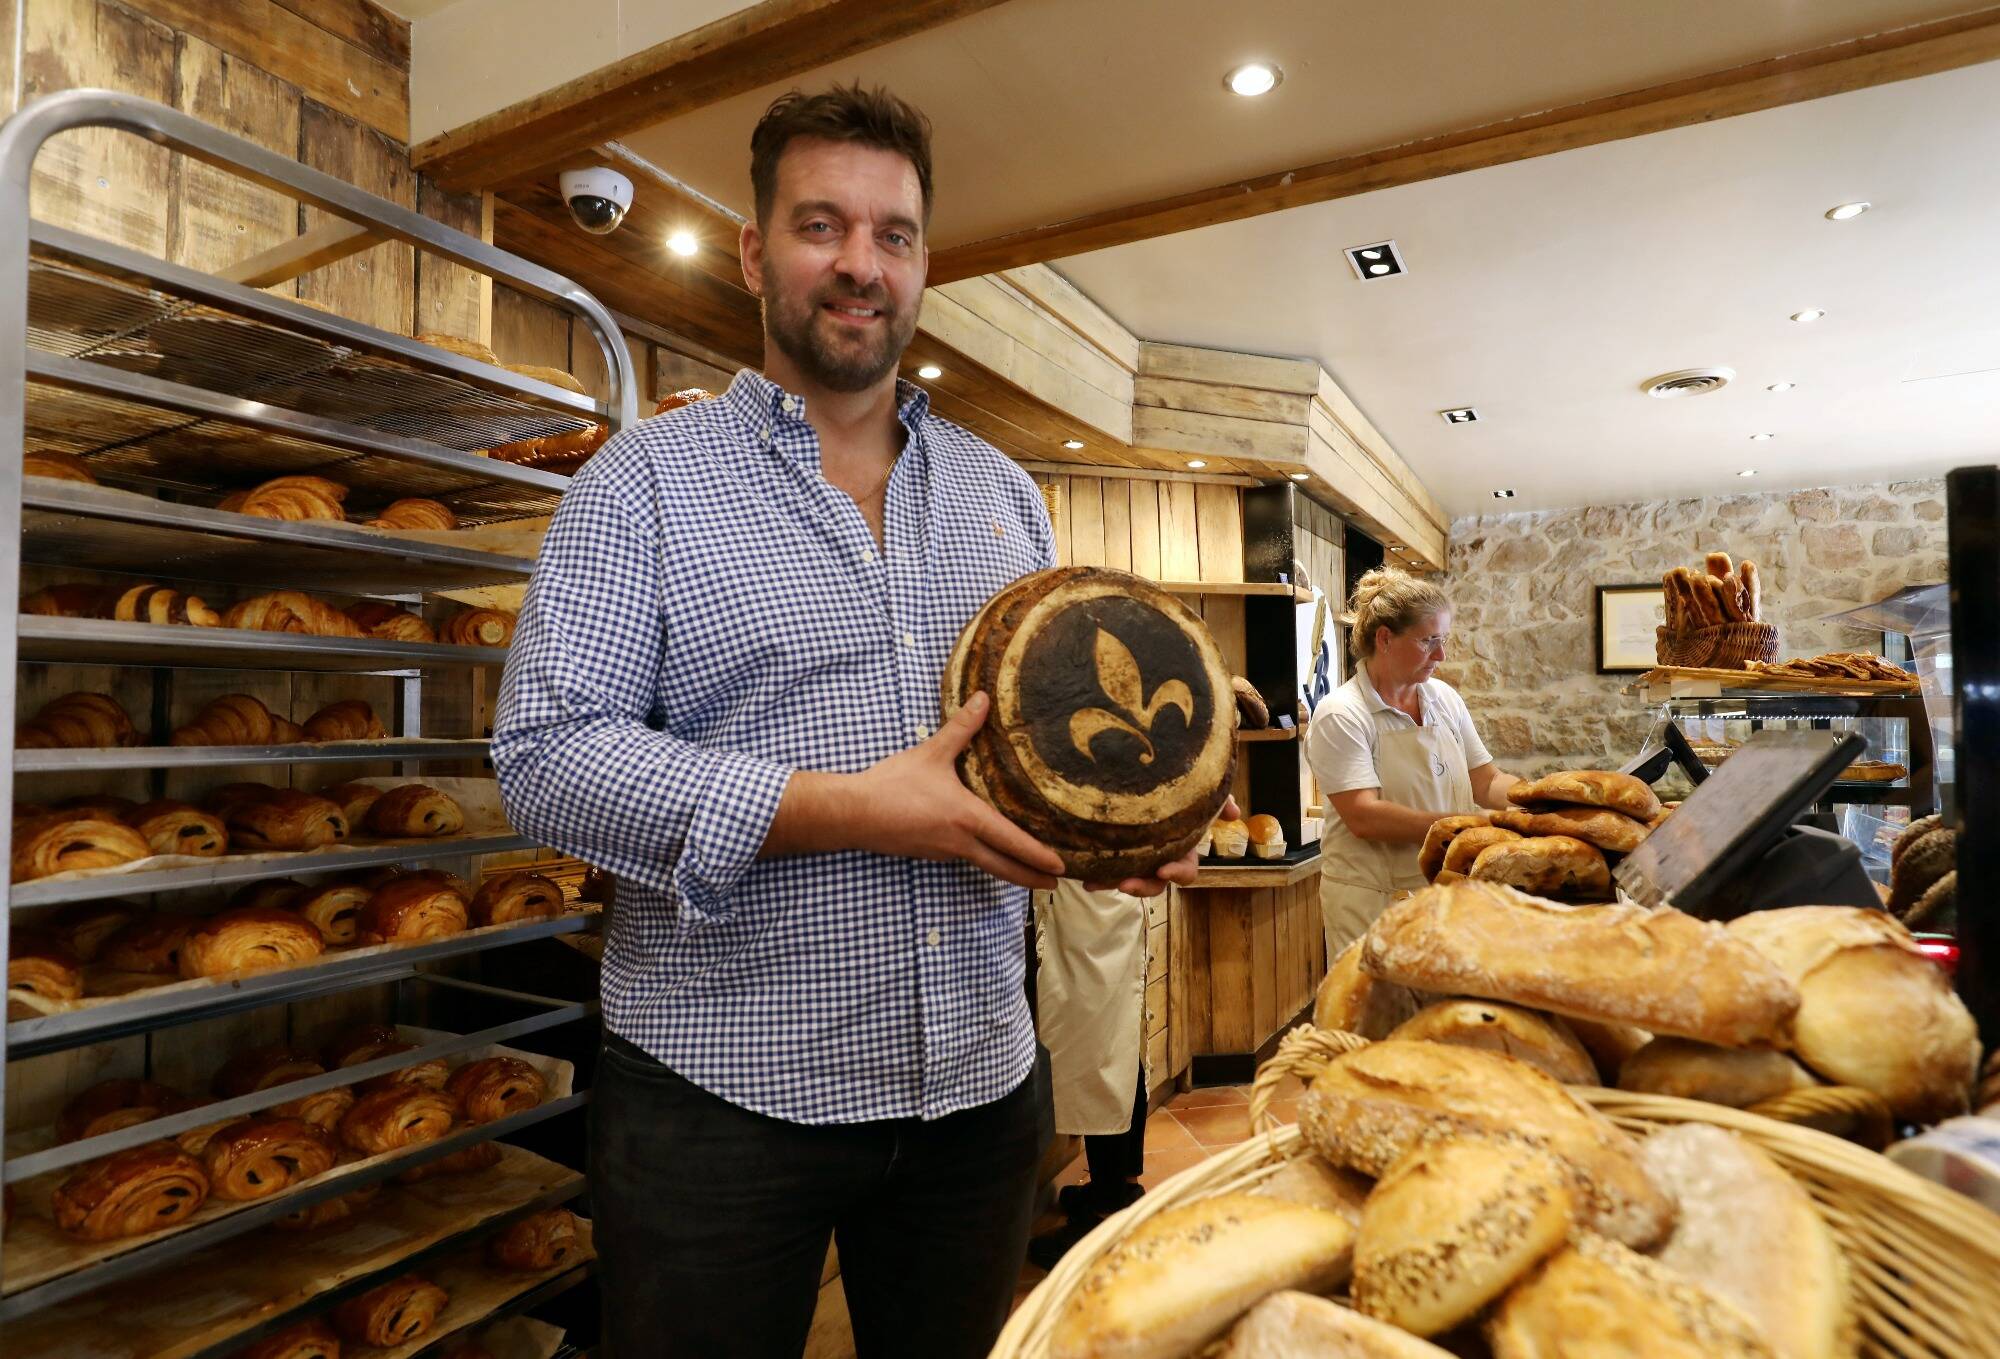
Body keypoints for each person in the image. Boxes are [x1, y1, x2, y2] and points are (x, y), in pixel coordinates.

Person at [491, 84, 1207, 1359]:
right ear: (756, 252)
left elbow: (1026, 761)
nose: (860, 265)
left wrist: (1131, 829)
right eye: (822, 226)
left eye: (893, 234)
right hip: (717, 1101)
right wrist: (837, 808)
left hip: (981, 1090)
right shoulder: (642, 485)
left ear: (924, 260)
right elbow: (547, 762)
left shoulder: (1001, 496)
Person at [1304, 568, 1520, 958]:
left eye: (1444, 640)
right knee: (1377, 1014)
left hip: (1442, 889)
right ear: (1385, 638)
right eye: (1428, 641)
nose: (1441, 655)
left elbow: (1486, 782)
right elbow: (1364, 817)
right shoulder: (1344, 714)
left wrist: (1534, 802)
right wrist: (1470, 826)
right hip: (1373, 902)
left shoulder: (1443, 699)